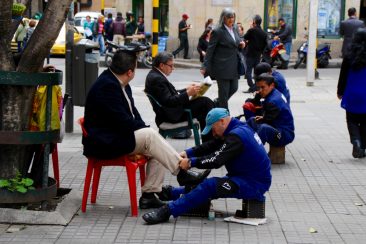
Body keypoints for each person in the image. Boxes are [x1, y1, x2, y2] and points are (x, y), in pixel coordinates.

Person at [83, 49, 210, 210]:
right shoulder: (107, 87)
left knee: (155, 144)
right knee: (151, 137)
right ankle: (182, 172)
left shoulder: (120, 82)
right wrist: (144, 131)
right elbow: (123, 121)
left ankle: (150, 195)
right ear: (129, 72)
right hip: (105, 142)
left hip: (116, 134)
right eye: (135, 69)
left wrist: (143, 128)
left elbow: (133, 114)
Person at [142, 108, 272, 225]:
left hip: (254, 184)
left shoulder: (236, 136)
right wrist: (188, 153)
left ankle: (167, 211)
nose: (213, 133)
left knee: (210, 185)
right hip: (246, 178)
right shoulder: (237, 127)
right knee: (207, 186)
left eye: (213, 128)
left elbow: (216, 160)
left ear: (222, 121)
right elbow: (212, 145)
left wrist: (191, 162)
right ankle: (171, 193)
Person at [144, 52, 215, 142]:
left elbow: (170, 95)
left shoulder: (155, 75)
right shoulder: (157, 79)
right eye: (171, 66)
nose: (173, 68)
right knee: (205, 103)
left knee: (206, 105)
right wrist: (188, 94)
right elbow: (169, 101)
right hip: (172, 115)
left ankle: (209, 140)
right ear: (162, 65)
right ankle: (210, 141)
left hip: (172, 111)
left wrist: (186, 90)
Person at [201, 8, 245, 109]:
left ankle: (219, 102)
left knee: (234, 88)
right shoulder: (217, 31)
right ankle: (224, 116)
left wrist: (241, 44)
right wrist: (204, 65)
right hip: (221, 67)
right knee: (224, 93)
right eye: (228, 17)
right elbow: (210, 49)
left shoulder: (234, 28)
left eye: (232, 17)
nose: (231, 19)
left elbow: (237, 41)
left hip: (234, 65)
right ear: (223, 18)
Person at [337, 28, 366, 158]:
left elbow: (343, 75)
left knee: (352, 120)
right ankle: (362, 146)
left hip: (352, 92)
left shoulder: (349, 55)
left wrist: (340, 91)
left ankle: (356, 141)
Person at [244, 74, 294, 147]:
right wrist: (258, 97)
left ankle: (254, 152)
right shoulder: (274, 92)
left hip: (284, 134)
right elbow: (267, 117)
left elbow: (268, 121)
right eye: (258, 87)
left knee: (263, 129)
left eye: (263, 87)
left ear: (272, 85)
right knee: (253, 120)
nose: (260, 90)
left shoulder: (273, 101)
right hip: (277, 127)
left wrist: (262, 118)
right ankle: (244, 140)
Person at [242, 15, 268, 93]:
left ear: (254, 22)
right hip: (257, 55)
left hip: (250, 54)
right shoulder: (264, 33)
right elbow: (265, 45)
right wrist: (261, 53)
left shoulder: (252, 30)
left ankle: (252, 87)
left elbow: (245, 37)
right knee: (256, 72)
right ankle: (255, 87)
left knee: (248, 72)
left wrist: (250, 28)